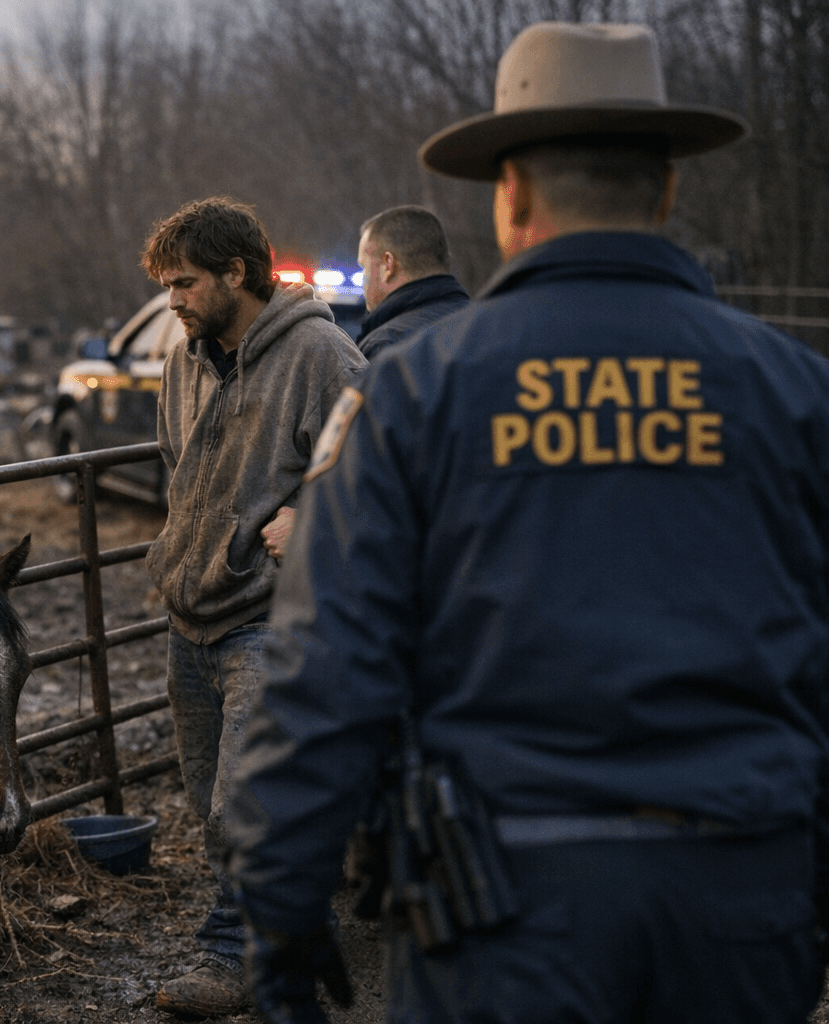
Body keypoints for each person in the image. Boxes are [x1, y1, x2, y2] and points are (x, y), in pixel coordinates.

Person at [227, 21, 829, 1024]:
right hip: (740, 899)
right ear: (669, 190)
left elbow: (325, 665)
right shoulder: (796, 396)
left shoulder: (408, 398)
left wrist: (280, 902)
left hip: (499, 915)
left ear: (507, 195)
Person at [139, 196, 366, 1016]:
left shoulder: (322, 355)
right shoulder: (184, 363)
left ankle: (237, 955)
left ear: (238, 272)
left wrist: (317, 510)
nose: (174, 302)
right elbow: (177, 472)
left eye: (187, 283)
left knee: (245, 800)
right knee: (208, 798)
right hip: (192, 609)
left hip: (272, 615)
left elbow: (388, 465)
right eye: (167, 285)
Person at [353, 205, 470, 358]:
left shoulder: (385, 346)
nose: (363, 280)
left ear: (388, 265)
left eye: (364, 266)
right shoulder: (485, 325)